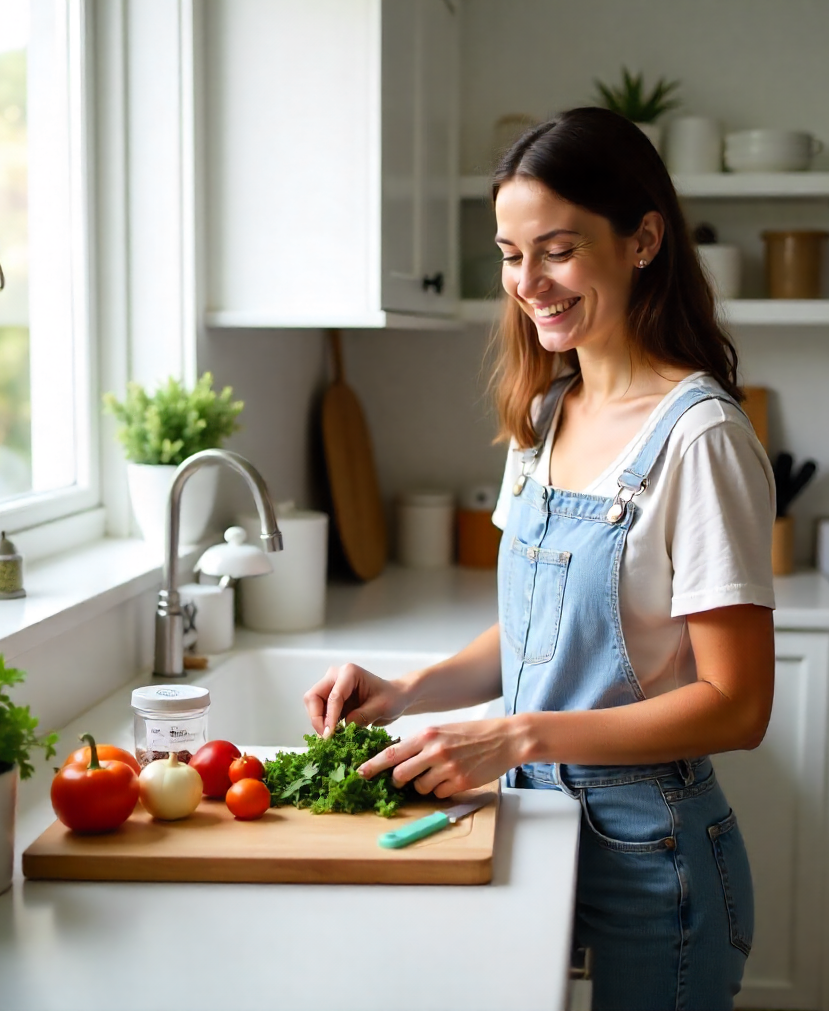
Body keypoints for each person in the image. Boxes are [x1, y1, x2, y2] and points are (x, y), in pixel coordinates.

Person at [303, 107, 776, 1011]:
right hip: (530, 818)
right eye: (512, 254)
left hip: (654, 857)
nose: (529, 282)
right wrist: (408, 691)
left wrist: (517, 732)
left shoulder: (701, 437)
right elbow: (535, 633)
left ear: (643, 240)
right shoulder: (548, 415)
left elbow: (738, 704)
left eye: (557, 249)